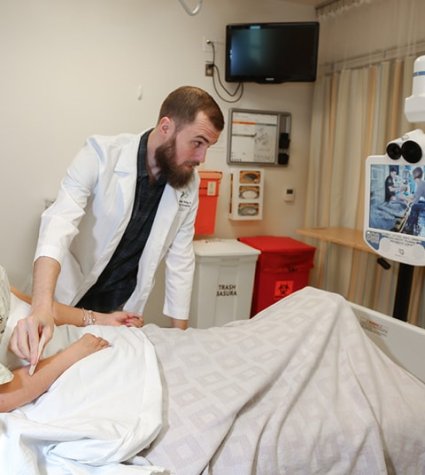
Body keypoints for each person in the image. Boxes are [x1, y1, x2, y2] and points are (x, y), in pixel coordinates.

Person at [10, 85, 225, 367]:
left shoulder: (187, 184)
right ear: (166, 127)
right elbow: (59, 222)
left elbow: (180, 257)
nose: (201, 158)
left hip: (117, 313)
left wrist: (179, 335)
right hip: (65, 300)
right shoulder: (100, 154)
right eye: (197, 143)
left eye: (208, 146)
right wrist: (41, 307)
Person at [0, 265, 142, 412]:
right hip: (51, 376)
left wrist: (98, 319)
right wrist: (72, 355)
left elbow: (39, 307)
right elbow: (3, 399)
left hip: (76, 342)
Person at [403, 166, 425, 235]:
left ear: (414, 176)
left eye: (412, 175)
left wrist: (407, 201)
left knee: (414, 207)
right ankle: (415, 224)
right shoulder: (421, 183)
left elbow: (415, 201)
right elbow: (415, 195)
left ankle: (410, 228)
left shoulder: (421, 185)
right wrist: (407, 198)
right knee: (415, 206)